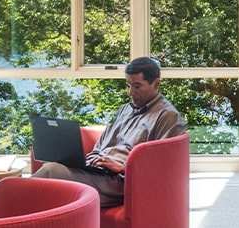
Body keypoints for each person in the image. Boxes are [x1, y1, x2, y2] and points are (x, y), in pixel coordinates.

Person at [33, 57, 185, 208]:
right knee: (52, 171)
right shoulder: (125, 109)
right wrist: (87, 163)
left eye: (138, 86)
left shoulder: (167, 116)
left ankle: (13, 207)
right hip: (98, 173)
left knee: (51, 171)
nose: (131, 93)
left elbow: (163, 168)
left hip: (121, 181)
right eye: (128, 85)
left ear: (156, 83)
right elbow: (99, 147)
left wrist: (122, 168)